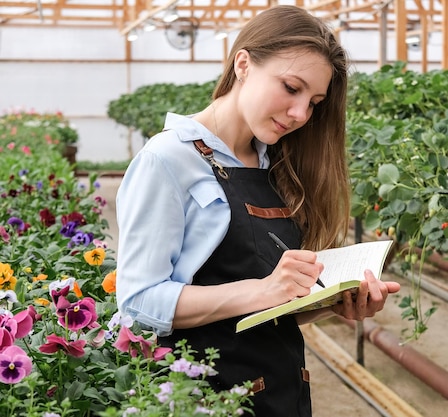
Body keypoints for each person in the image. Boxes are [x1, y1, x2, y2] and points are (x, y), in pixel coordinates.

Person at [115, 5, 401, 416]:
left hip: (282, 392)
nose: (301, 114)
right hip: (201, 396)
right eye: (290, 87)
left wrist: (329, 301)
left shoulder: (277, 164)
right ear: (244, 63)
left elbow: (261, 313)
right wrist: (266, 289)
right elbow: (139, 303)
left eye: (315, 101)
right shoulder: (167, 160)